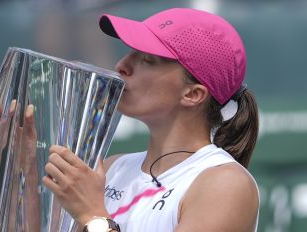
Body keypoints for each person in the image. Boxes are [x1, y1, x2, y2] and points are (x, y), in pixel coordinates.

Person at [41, 7, 260, 232]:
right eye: (130, 52)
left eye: (147, 59)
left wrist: (93, 215)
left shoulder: (226, 184)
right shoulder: (111, 168)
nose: (121, 66)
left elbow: (93, 217)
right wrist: (13, 163)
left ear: (192, 94)